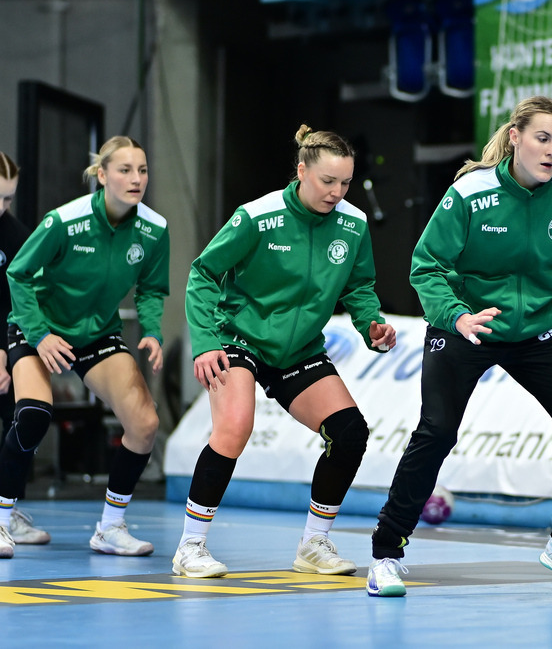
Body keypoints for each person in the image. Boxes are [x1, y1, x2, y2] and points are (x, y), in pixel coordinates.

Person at [366, 95, 552, 597]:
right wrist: (456, 317)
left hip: (537, 328)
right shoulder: (470, 193)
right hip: (466, 323)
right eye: (542, 138)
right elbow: (427, 267)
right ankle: (386, 554)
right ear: (517, 137)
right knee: (436, 431)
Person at [172, 124, 396, 579]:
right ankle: (190, 547)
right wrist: (207, 342)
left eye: (346, 182)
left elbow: (359, 286)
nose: (337, 192)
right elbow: (203, 273)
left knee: (349, 432)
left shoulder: (353, 225)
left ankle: (314, 543)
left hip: (299, 349)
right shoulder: (257, 217)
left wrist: (371, 324)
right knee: (234, 428)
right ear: (301, 172)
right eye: (327, 181)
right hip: (240, 339)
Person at [1, 137, 169, 559]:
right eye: (125, 170)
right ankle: (2, 517)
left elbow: (150, 288)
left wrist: (150, 329)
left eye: (143, 170)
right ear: (102, 175)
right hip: (38, 324)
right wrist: (39, 335)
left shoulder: (154, 229)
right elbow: (18, 274)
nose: (136, 179)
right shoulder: (64, 221)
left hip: (95, 334)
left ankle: (110, 527)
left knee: (145, 424)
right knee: (35, 414)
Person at [0, 151, 50, 547]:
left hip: (4, 336)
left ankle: (8, 511)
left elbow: (14, 300)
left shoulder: (16, 237)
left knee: (18, 412)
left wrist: (3, 353)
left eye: (8, 199)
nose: (2, 207)